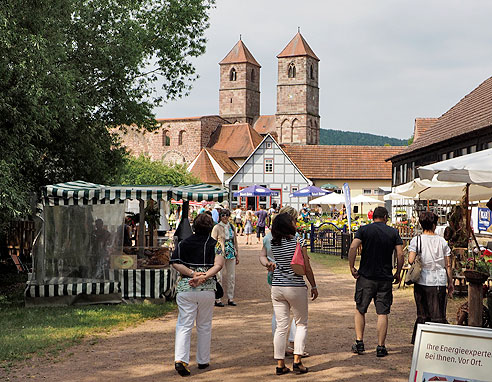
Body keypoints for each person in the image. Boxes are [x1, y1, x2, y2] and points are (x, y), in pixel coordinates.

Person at [260, 212, 318, 375]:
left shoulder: (272, 241)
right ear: (288, 224)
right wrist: (313, 285)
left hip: (277, 285)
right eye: (293, 221)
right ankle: (297, 361)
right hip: (295, 285)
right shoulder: (298, 240)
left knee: (281, 326)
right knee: (301, 323)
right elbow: (305, 266)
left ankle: (280, 364)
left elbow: (266, 257)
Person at [170, 213, 225, 377]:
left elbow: (175, 262)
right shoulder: (216, 245)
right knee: (204, 325)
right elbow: (219, 265)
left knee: (184, 325)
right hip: (207, 289)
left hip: (186, 288)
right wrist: (204, 277)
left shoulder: (183, 243)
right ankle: (203, 359)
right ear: (211, 228)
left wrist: (192, 274)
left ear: (194, 226)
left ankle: (180, 359)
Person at [348, 206, 403, 358]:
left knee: (360, 309)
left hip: (365, 277)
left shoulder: (364, 230)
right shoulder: (393, 232)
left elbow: (353, 247)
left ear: (374, 217)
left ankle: (359, 343)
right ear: (385, 217)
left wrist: (352, 266)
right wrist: (397, 272)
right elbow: (400, 253)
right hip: (385, 278)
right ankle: (381, 346)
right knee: (382, 312)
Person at [408, 211, 453, 344]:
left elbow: (411, 260)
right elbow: (448, 264)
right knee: (438, 313)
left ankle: (421, 342)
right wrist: (450, 283)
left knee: (422, 313)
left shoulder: (417, 240)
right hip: (439, 281)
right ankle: (438, 343)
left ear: (421, 225)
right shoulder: (442, 242)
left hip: (422, 280)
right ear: (435, 224)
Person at [211, 209, 239, 307]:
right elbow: (212, 241)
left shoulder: (231, 226)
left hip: (231, 252)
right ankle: (217, 298)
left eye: (227, 215)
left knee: (231, 276)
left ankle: (230, 298)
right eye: (223, 215)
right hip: (220, 253)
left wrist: (237, 254)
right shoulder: (216, 227)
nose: (225, 217)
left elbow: (235, 241)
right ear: (220, 216)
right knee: (219, 276)